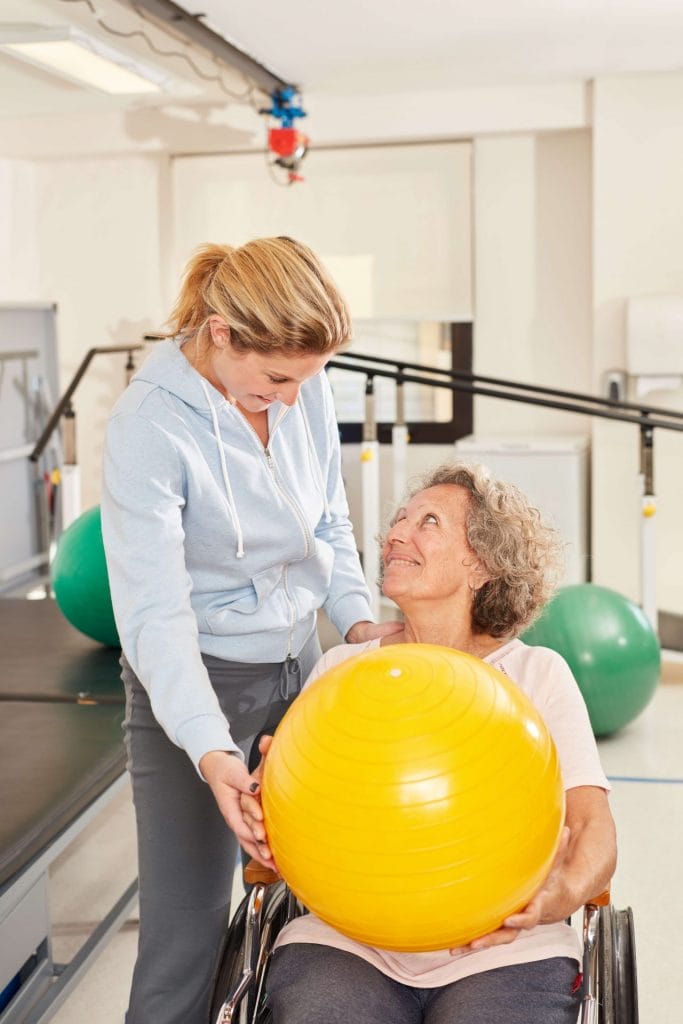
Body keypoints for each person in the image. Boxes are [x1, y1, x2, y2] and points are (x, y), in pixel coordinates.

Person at [100, 236, 399, 1024]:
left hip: (302, 667)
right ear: (221, 331)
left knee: (318, 918)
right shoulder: (149, 427)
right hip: (197, 681)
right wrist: (209, 749)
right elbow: (154, 615)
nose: (294, 398)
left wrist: (359, 627)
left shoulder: (304, 385)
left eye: (307, 378)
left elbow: (330, 524)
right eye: (275, 380)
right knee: (185, 939)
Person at [242, 461, 617, 1024]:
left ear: (482, 564)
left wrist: (559, 898)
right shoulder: (343, 670)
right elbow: (288, 813)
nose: (396, 533)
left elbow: (594, 829)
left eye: (429, 522)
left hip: (505, 945)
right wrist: (266, 806)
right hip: (349, 938)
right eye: (398, 520)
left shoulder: (537, 673)